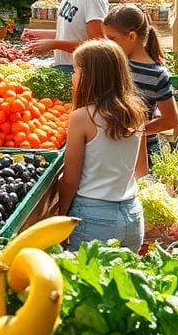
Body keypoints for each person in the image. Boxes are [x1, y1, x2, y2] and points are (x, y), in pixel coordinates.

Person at [59, 39, 148, 252]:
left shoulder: (82, 117)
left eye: (75, 70)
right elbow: (142, 169)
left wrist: (60, 215)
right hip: (132, 214)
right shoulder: (136, 113)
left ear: (90, 77)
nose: (72, 76)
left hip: (94, 217)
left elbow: (71, 179)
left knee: (86, 282)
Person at [104, 4, 178, 164]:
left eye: (111, 39)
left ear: (132, 36)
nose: (107, 44)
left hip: (143, 149)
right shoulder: (115, 63)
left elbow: (171, 119)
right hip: (113, 143)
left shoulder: (157, 75)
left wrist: (137, 131)